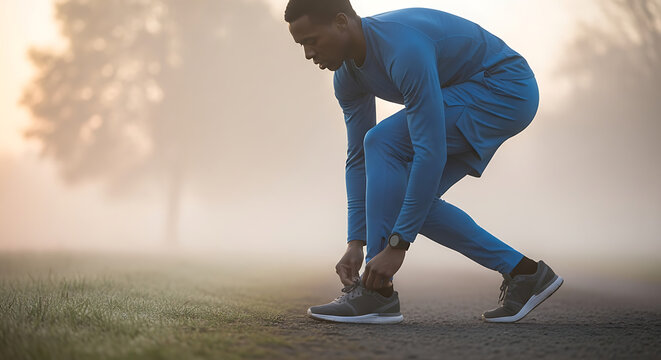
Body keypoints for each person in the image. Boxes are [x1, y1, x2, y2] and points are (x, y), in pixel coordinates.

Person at [285, 0, 563, 324]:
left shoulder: (403, 50)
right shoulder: (346, 77)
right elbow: (358, 159)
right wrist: (355, 240)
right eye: (301, 45)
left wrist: (397, 244)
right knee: (407, 199)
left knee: (383, 141)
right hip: (476, 92)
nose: (308, 53)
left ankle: (376, 294)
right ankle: (525, 273)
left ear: (341, 22)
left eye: (311, 41)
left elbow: (429, 150)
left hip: (505, 87)